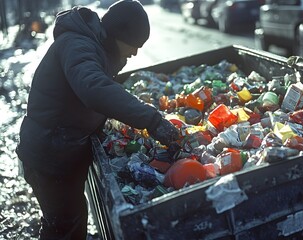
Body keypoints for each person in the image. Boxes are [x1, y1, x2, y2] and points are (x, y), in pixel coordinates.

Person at [15, 0, 180, 239]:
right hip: (48, 156)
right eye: (134, 45)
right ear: (118, 33)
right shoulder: (78, 45)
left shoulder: (90, 45)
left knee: (66, 222)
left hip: (58, 152)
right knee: (65, 227)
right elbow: (94, 87)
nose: (134, 53)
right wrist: (151, 120)